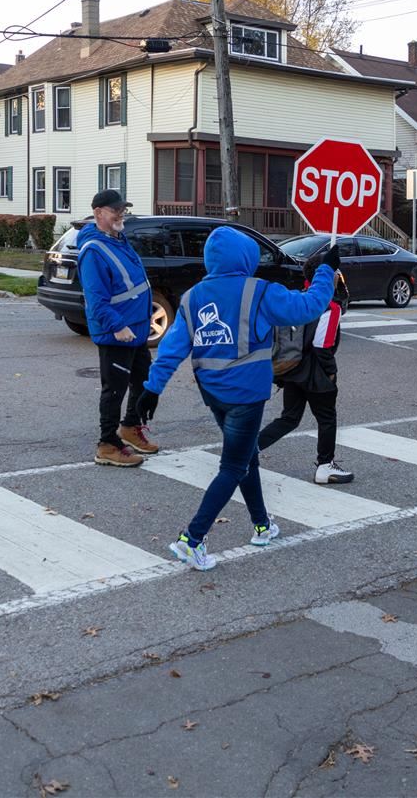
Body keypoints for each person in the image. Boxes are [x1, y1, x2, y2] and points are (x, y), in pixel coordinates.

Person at [136, 226, 340, 571]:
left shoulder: (193, 296)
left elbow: (171, 349)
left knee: (246, 459)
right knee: (233, 466)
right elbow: (309, 307)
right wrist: (325, 271)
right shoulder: (259, 292)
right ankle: (192, 539)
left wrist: (152, 389)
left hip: (213, 394)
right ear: (245, 258)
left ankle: (262, 526)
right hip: (247, 395)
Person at [77, 188, 158, 467]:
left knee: (144, 381)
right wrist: (118, 326)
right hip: (117, 334)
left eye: (123, 209)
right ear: (99, 213)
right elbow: (95, 300)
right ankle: (107, 444)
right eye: (115, 210)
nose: (121, 214)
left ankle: (130, 428)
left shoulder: (119, 240)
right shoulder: (93, 251)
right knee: (114, 390)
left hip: (135, 331)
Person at [256, 252, 352, 485]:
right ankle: (325, 466)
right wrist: (330, 373)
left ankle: (249, 448)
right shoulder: (330, 306)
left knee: (289, 418)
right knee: (326, 418)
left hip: (292, 368)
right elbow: (323, 344)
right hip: (317, 373)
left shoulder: (298, 298)